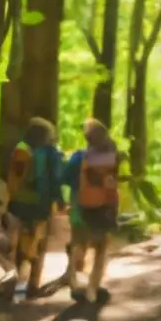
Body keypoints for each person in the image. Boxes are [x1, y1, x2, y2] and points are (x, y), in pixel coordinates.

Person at [60, 118, 120, 304]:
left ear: (87, 139)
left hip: (80, 205)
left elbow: (64, 177)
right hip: (105, 207)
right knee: (101, 249)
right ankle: (92, 290)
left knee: (79, 242)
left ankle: (74, 280)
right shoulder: (112, 157)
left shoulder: (79, 157)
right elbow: (113, 182)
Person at [4, 117, 64, 298]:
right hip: (40, 206)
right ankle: (32, 285)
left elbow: (15, 179)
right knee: (37, 245)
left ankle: (20, 287)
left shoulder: (21, 150)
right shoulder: (46, 153)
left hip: (21, 205)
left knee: (24, 246)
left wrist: (12, 196)